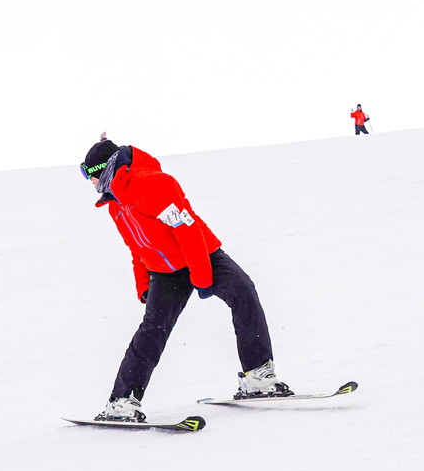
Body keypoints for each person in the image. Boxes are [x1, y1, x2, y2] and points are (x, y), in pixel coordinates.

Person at [79, 136, 290, 421]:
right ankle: (122, 402)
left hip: (202, 254)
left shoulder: (152, 183)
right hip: (164, 271)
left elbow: (187, 228)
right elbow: (135, 247)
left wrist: (201, 275)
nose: (90, 183)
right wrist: (143, 284)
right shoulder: (116, 205)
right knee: (152, 329)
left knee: (243, 291)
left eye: (89, 175)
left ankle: (258, 377)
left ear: (103, 170)